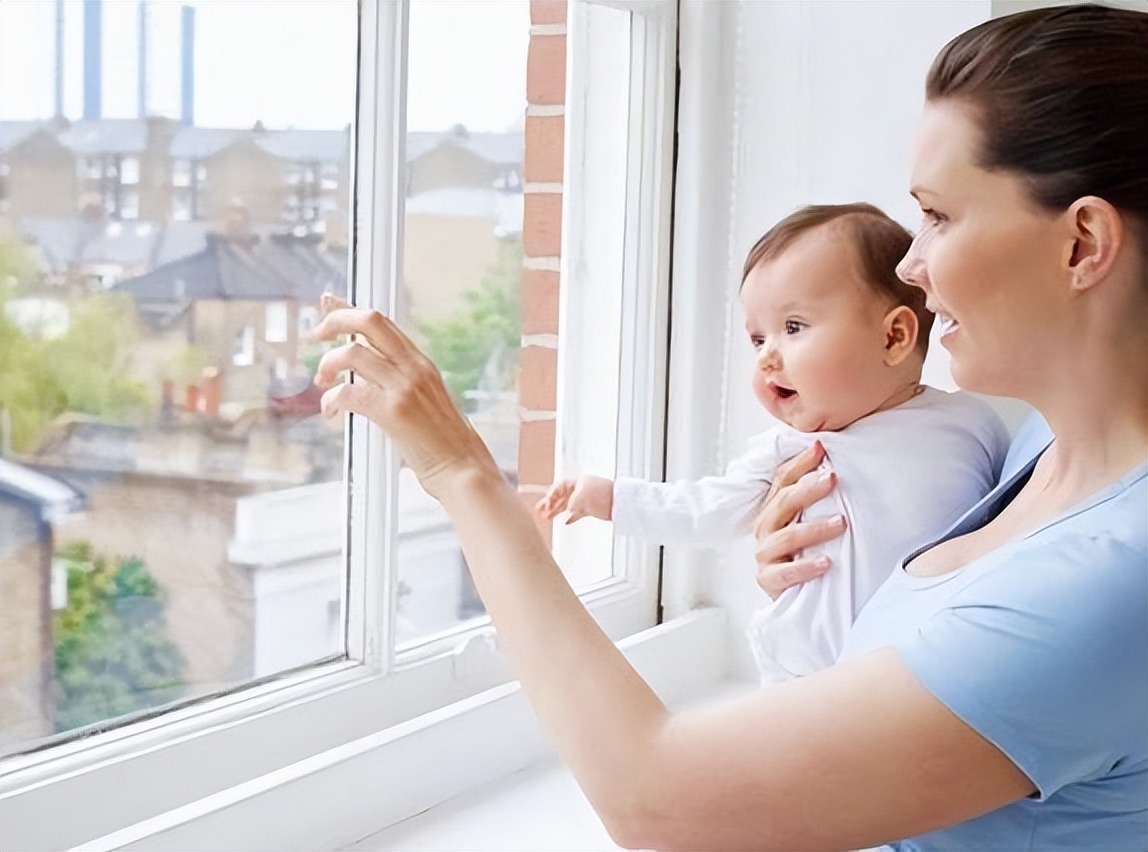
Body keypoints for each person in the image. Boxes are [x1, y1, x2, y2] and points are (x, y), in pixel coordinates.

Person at [313, 5, 1146, 848]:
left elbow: (659, 803)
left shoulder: (1113, 580)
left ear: (1082, 243)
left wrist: (462, 473)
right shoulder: (1042, 447)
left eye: (938, 216)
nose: (910, 265)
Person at [535, 203, 1010, 683]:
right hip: (805, 673)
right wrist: (610, 497)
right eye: (758, 340)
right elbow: (705, 507)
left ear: (893, 338)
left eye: (793, 328)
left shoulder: (972, 423)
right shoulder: (788, 451)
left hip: (928, 670)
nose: (766, 358)